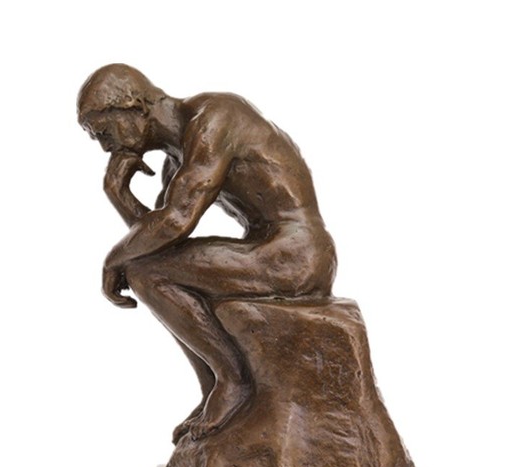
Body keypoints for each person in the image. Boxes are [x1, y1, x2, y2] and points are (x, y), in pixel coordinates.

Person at [78, 64, 337, 441]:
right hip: (269, 249)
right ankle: (218, 386)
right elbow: (162, 241)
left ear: (132, 107)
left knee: (146, 273)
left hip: (297, 253)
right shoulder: (177, 158)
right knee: (147, 270)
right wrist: (119, 195)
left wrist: (112, 260)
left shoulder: (215, 117)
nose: (105, 147)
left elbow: (175, 222)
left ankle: (231, 381)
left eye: (103, 132)